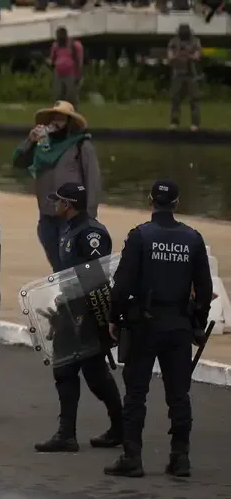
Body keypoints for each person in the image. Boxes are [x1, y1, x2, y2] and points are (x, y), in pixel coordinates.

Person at [105, 180, 213, 478]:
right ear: (176, 204)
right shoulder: (192, 239)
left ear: (150, 200)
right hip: (178, 324)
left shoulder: (140, 236)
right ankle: (180, 458)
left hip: (144, 325)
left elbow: (121, 286)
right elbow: (204, 289)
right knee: (179, 394)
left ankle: (132, 457)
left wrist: (114, 318)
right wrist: (198, 323)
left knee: (136, 393)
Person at [34, 181, 124, 454]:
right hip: (68, 308)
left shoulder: (91, 234)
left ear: (69, 205)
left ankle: (120, 426)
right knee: (64, 370)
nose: (55, 204)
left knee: (95, 375)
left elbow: (95, 277)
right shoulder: (68, 228)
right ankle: (66, 433)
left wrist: (84, 313)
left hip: (86, 312)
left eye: (58, 200)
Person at [12, 101, 103, 269]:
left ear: (70, 123)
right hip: (47, 216)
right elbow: (18, 162)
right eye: (53, 118)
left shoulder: (81, 145)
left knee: (73, 265)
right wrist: (30, 141)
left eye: (60, 118)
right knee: (58, 266)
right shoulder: (42, 145)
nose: (55, 122)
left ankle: (75, 295)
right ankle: (64, 294)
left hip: (72, 216)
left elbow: (93, 181)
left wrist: (89, 216)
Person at [165, 23, 201, 130]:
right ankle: (174, 122)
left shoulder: (195, 41)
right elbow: (170, 58)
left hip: (191, 74)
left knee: (194, 99)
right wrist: (179, 53)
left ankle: (195, 123)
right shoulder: (173, 41)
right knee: (175, 99)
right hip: (178, 73)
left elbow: (197, 57)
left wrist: (188, 54)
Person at [49, 27, 84, 106]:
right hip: (58, 73)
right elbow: (52, 59)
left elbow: (79, 60)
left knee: (71, 95)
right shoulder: (55, 45)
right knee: (58, 94)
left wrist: (78, 74)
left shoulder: (73, 45)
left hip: (70, 73)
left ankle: (72, 112)